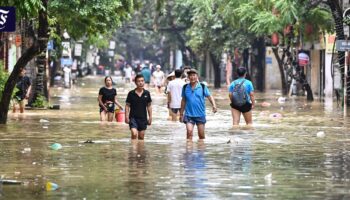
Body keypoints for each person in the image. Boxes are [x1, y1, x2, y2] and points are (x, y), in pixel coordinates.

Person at [180, 69, 217, 141]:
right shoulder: (185, 87)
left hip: (200, 114)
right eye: (190, 75)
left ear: (197, 76)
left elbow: (209, 96)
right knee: (189, 133)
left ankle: (200, 150)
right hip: (188, 115)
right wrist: (181, 113)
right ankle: (189, 150)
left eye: (194, 75)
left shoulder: (202, 86)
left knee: (201, 136)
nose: (192, 77)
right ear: (188, 77)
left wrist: (214, 105)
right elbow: (183, 101)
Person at [125, 74, 152, 140]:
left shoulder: (147, 93)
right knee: (134, 134)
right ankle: (133, 150)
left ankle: (139, 149)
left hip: (143, 118)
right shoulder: (131, 93)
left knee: (141, 137)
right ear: (135, 82)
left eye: (142, 81)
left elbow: (149, 106)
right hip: (133, 118)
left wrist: (150, 117)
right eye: (139, 81)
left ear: (144, 82)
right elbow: (127, 106)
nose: (141, 83)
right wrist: (126, 117)